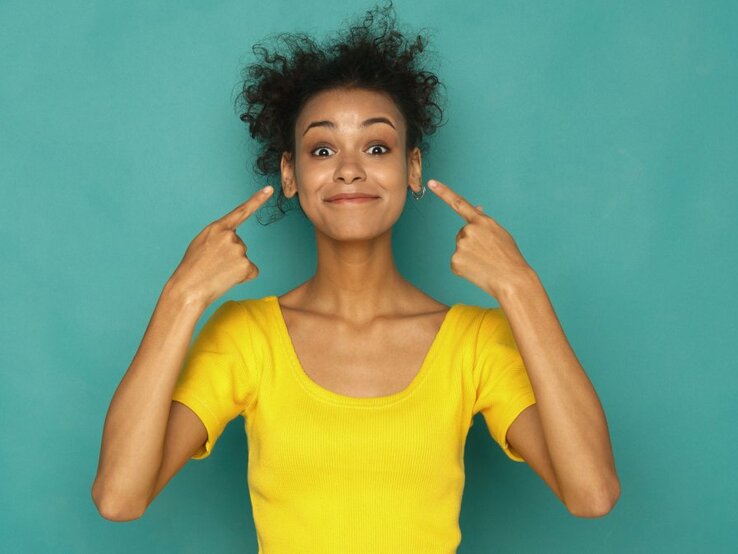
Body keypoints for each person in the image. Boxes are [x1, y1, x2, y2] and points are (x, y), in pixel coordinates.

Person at [91, 1, 620, 551]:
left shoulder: (474, 343)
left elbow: (592, 494)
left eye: (376, 146)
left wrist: (521, 287)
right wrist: (182, 295)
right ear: (291, 175)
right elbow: (119, 498)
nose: (349, 168)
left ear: (412, 169)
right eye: (323, 148)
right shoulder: (247, 336)